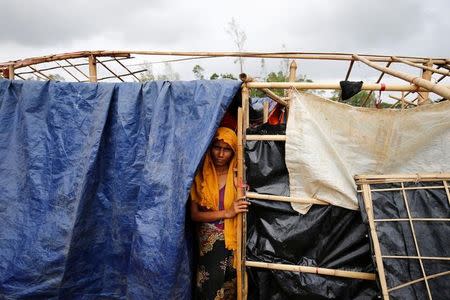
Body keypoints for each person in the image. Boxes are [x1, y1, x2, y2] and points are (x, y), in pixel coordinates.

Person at [190, 127, 250, 300]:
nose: (221, 154)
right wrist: (227, 212)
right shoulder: (199, 176)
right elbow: (194, 215)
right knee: (210, 287)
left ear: (233, 152)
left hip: (235, 239)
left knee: (231, 286)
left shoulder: (239, 177)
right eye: (217, 147)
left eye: (227, 150)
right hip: (209, 243)